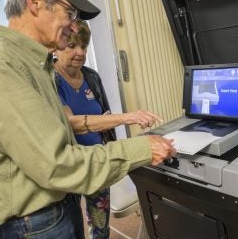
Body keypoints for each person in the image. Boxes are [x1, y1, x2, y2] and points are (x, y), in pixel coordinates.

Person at [0, 0, 176, 239]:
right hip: (34, 223)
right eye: (70, 12)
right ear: (34, 1)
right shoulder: (3, 64)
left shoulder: (36, 65)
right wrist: (140, 149)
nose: (72, 24)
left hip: (58, 208)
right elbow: (56, 164)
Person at [54, 19, 162, 239]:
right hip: (68, 164)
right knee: (72, 227)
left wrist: (114, 128)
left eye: (84, 46)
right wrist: (127, 117)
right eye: (72, 46)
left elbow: (104, 116)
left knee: (100, 225)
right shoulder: (51, 79)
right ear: (57, 46)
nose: (80, 52)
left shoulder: (91, 76)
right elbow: (71, 123)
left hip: (97, 162)